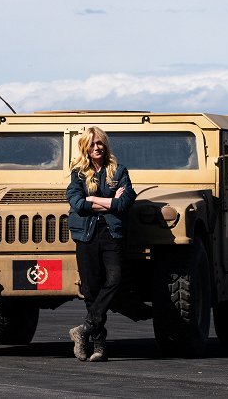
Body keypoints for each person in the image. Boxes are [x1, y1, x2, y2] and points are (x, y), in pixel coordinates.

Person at [66, 127, 136, 362]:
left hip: (111, 234)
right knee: (90, 290)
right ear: (85, 147)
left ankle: (83, 330)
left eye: (101, 143)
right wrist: (108, 201)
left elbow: (125, 203)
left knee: (115, 280)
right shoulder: (77, 174)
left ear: (106, 146)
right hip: (86, 236)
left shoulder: (119, 171)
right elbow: (78, 204)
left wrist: (94, 198)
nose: (97, 147)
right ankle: (99, 345)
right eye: (93, 144)